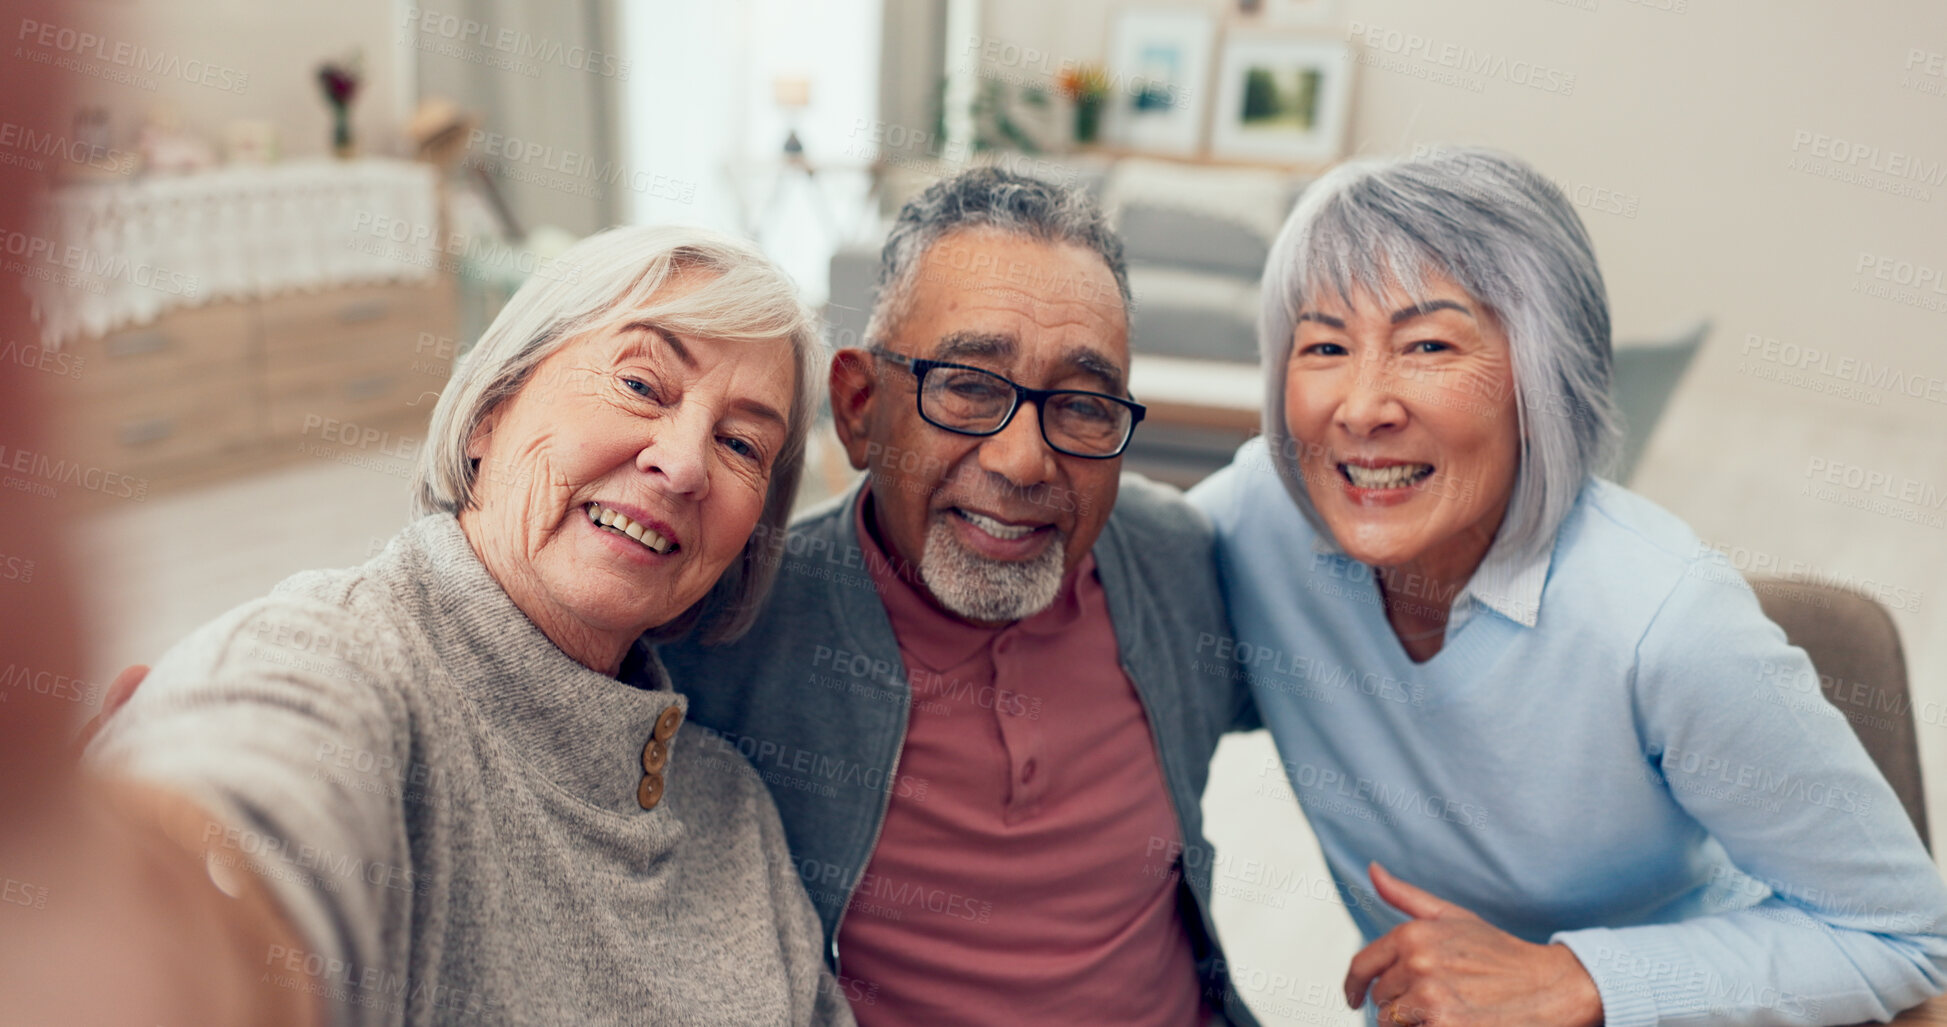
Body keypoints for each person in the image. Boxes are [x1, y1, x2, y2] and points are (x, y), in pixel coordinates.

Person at [1189, 147, 1947, 1026]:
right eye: (1322, 344)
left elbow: (1905, 933)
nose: (1361, 406)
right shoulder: (1259, 522)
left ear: (1542, 374)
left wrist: (1573, 979)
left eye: (1426, 343)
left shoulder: (1668, 621)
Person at [73, 225, 855, 1025]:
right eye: (641, 385)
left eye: (739, 442)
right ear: (490, 411)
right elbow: (247, 801)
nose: (684, 463)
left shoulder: (731, 808)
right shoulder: (337, 661)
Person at [657, 167, 1264, 1025]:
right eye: (969, 387)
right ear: (860, 408)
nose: (1023, 462)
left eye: (1084, 404)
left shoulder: (1180, 562)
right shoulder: (732, 623)